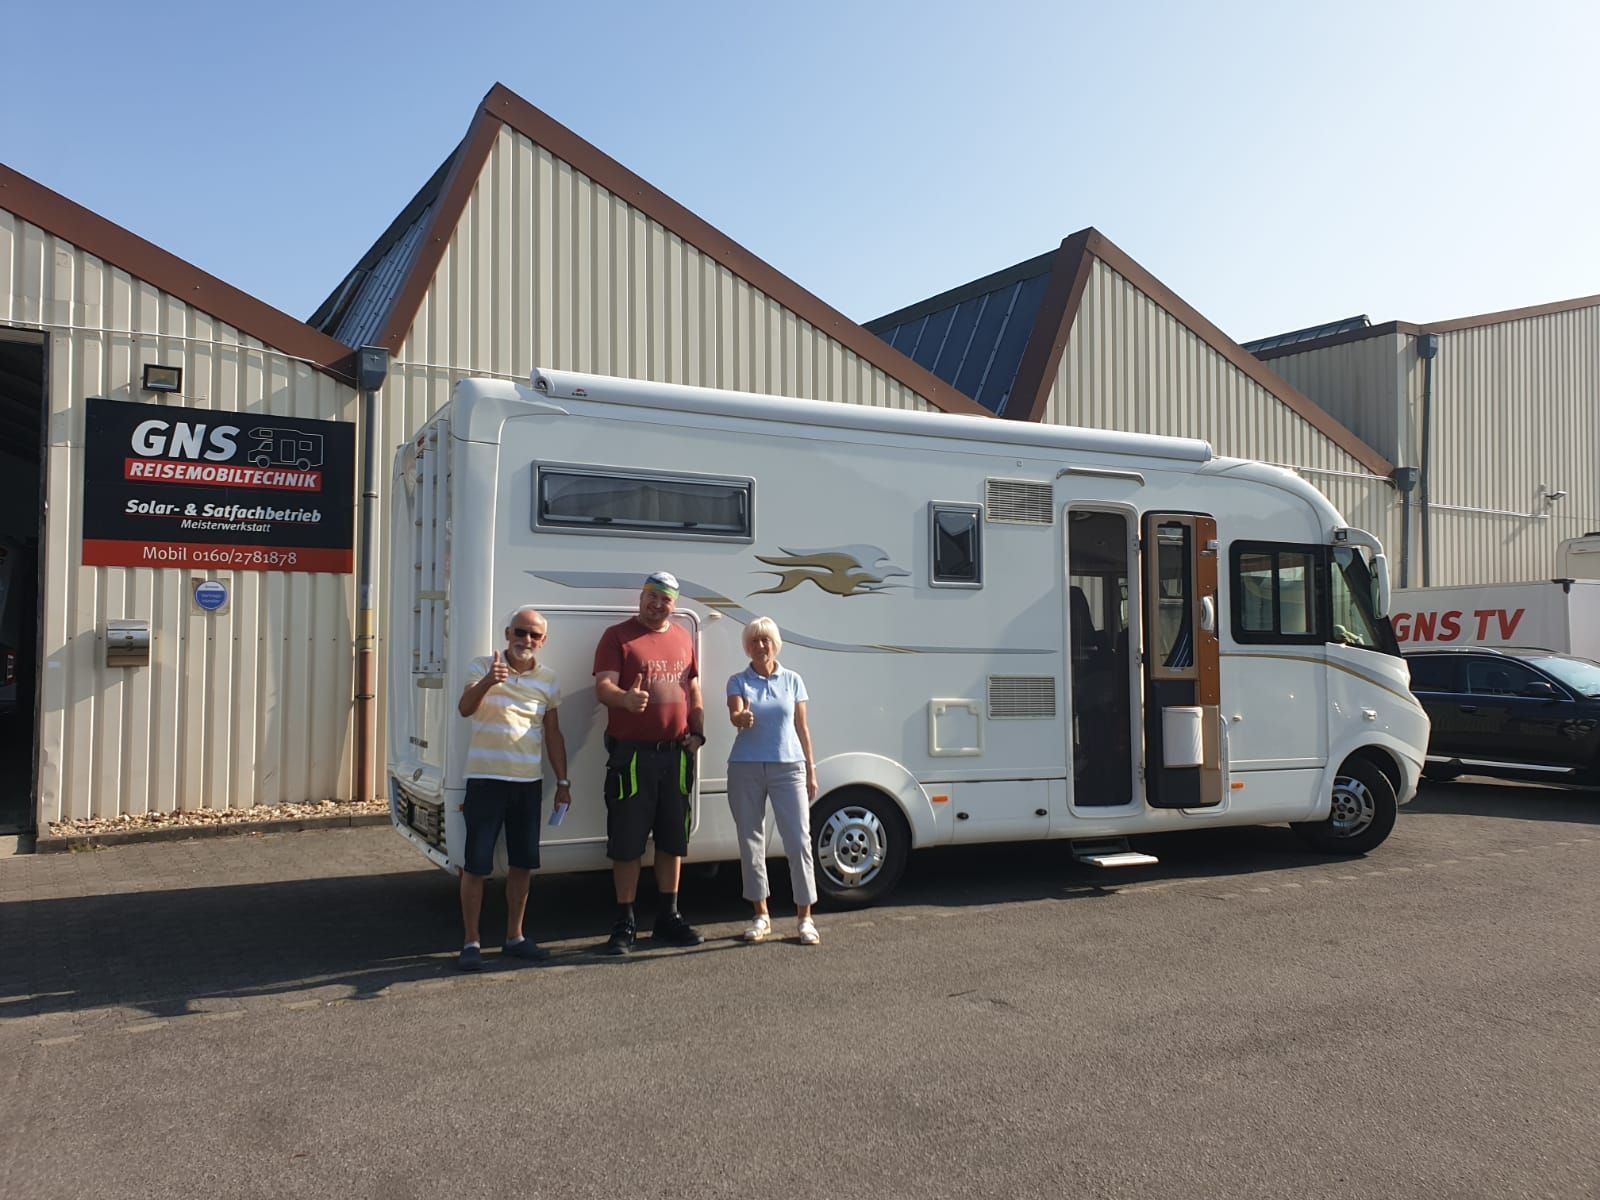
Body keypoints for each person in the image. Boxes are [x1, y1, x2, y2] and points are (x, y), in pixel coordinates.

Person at [593, 571, 707, 954]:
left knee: (673, 840)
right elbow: (603, 687)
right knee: (627, 843)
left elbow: (691, 686)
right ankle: (624, 923)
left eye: (666, 599)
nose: (658, 605)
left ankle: (667, 917)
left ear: (674, 604)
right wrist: (625, 699)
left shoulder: (682, 637)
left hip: (675, 755)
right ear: (641, 598)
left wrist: (698, 728)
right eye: (651, 597)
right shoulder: (617, 636)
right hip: (632, 757)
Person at [455, 606, 571, 971]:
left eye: (534, 635)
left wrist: (563, 782)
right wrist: (490, 679)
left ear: (543, 641)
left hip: (527, 784)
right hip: (485, 780)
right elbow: (464, 709)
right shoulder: (480, 666)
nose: (526, 640)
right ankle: (471, 942)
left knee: (522, 864)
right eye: (520, 632)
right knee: (475, 865)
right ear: (507, 634)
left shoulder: (548, 679)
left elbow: (553, 733)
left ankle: (514, 938)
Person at [726, 617, 821, 945]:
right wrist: (741, 718)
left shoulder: (793, 680)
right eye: (754, 641)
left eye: (765, 640)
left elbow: (802, 728)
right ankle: (760, 915)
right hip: (745, 768)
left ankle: (805, 918)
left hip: (789, 767)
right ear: (747, 647)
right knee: (751, 842)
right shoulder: (738, 681)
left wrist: (811, 770)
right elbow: (734, 713)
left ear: (775, 644)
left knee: (798, 841)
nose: (760, 646)